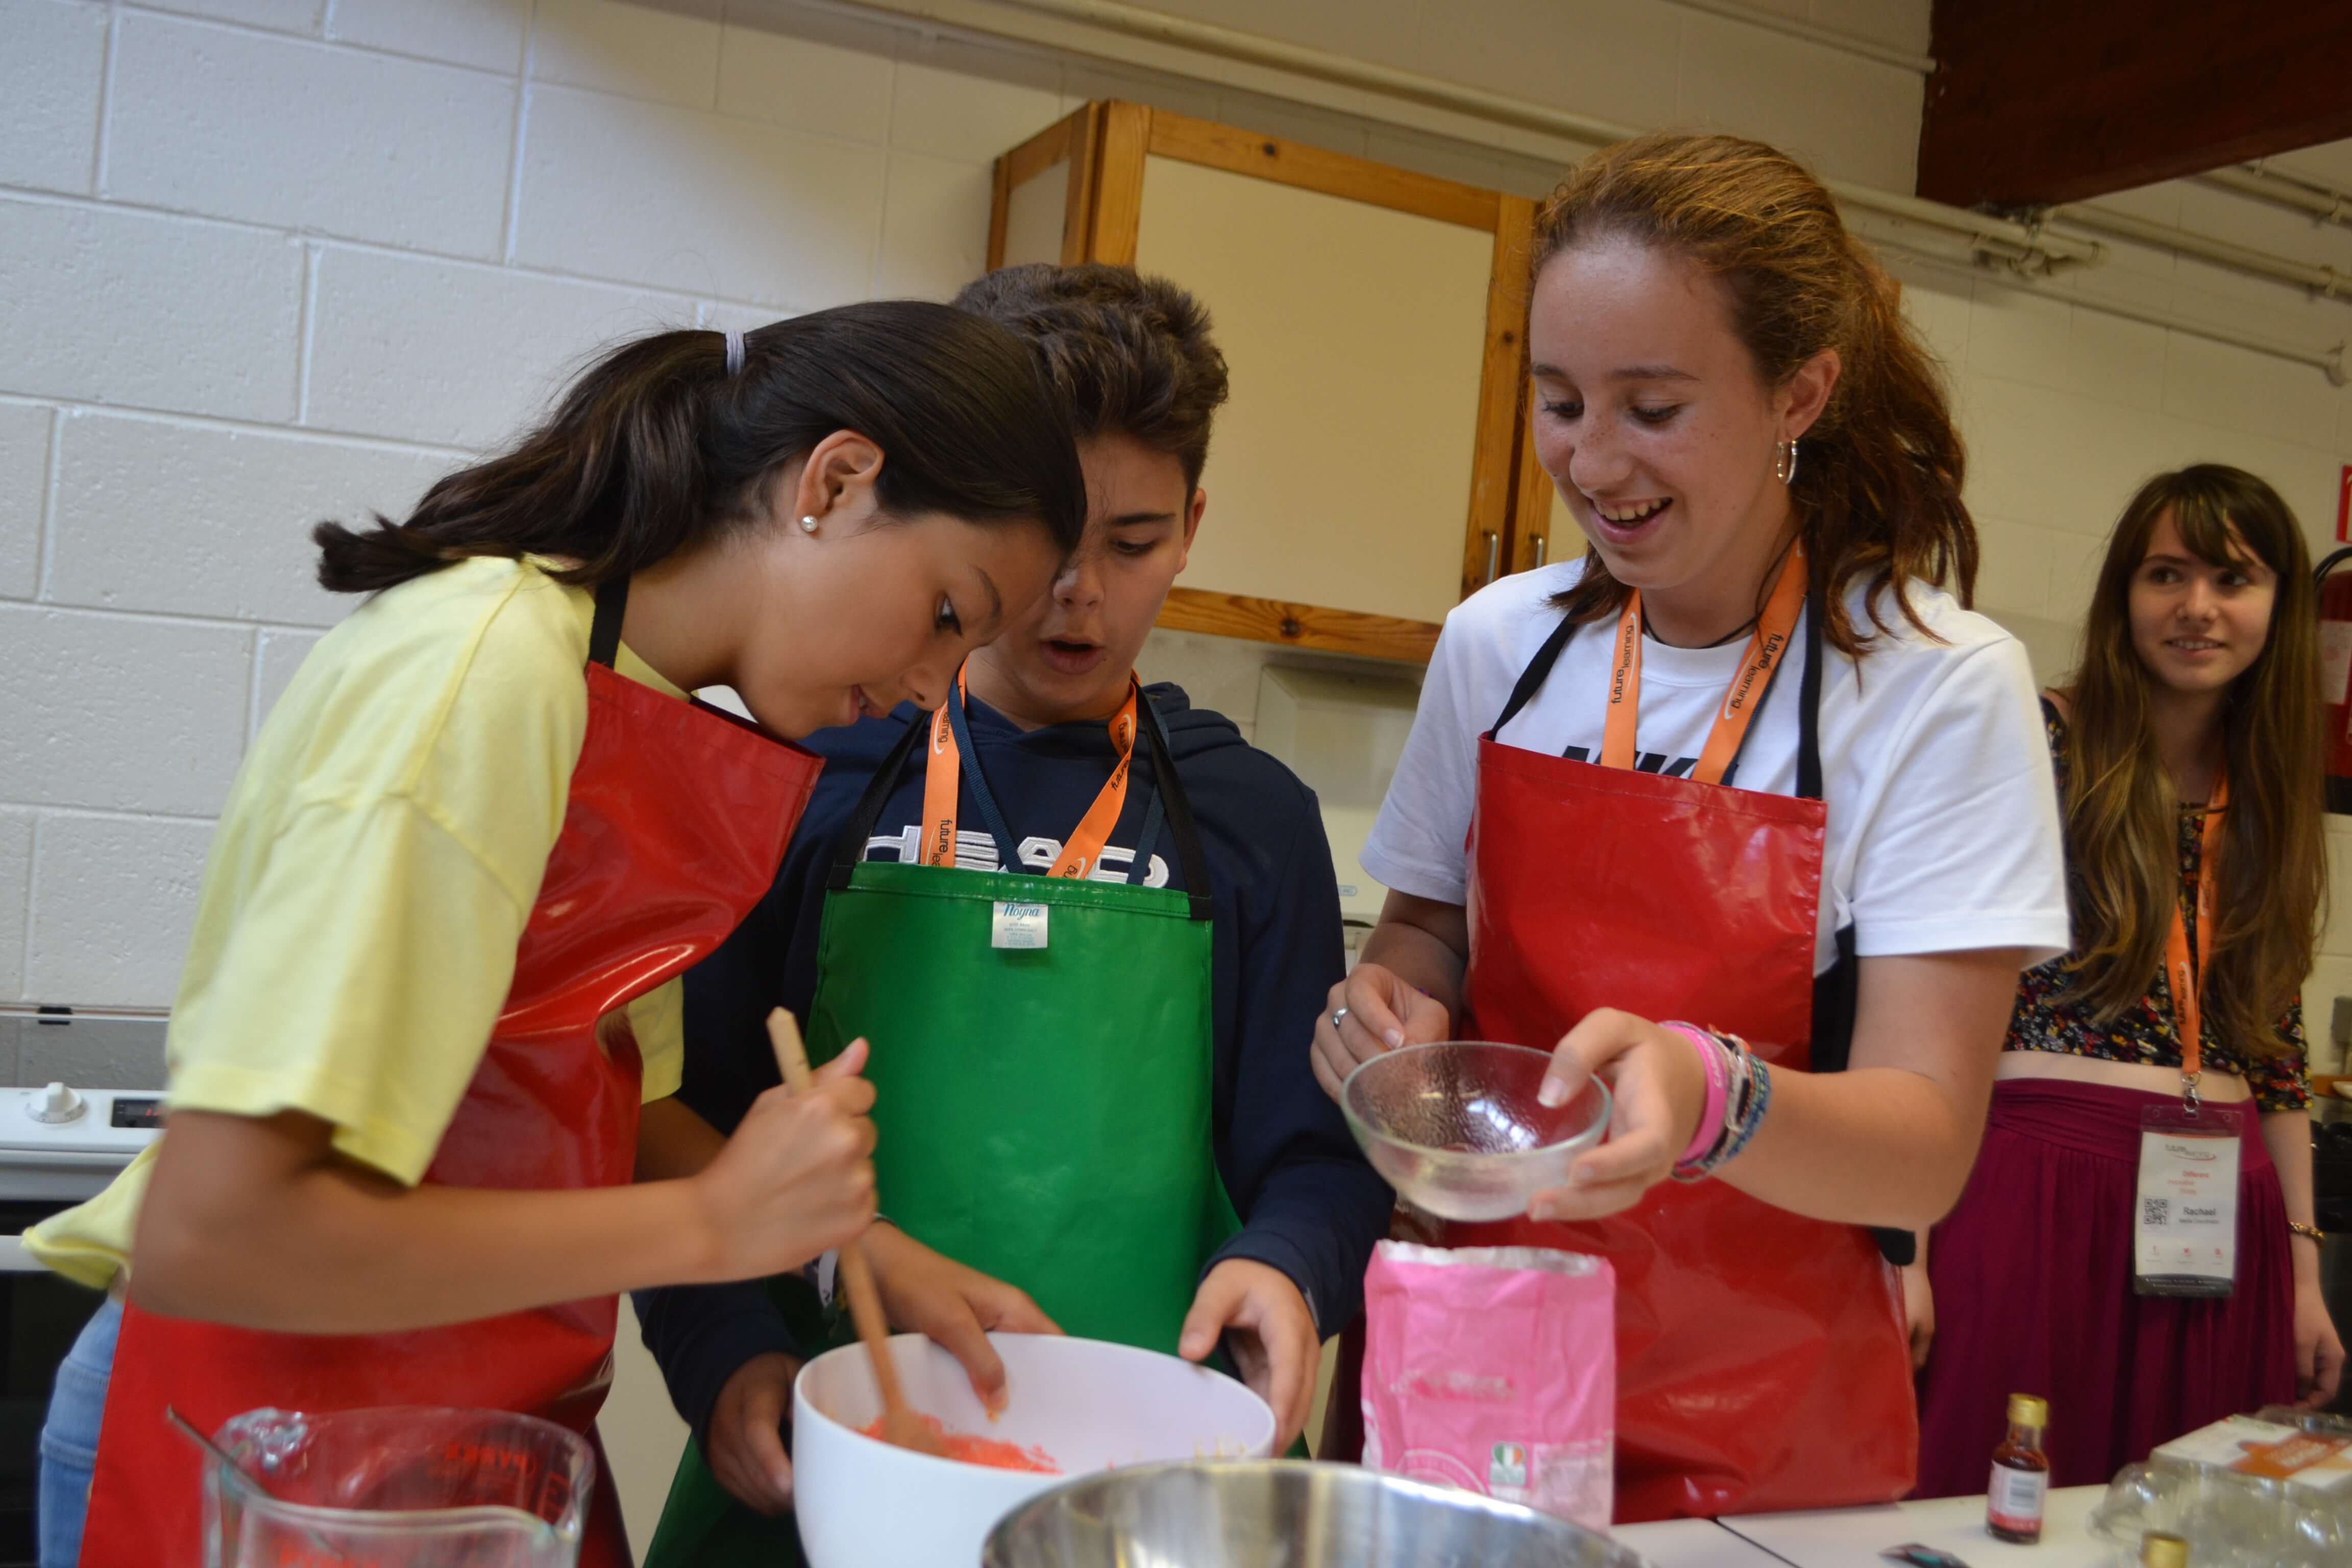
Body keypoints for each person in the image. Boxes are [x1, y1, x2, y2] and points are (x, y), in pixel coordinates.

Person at [26, 303, 1088, 1568]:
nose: (934, 686)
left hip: (454, 1431)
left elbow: (600, 1106)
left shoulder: (616, 693)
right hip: (261, 1440)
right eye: (949, 613)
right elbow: (221, 1234)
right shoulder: (479, 676)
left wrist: (850, 1245)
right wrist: (715, 1230)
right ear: (836, 482)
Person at [1310, 133, 2072, 1522]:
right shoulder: (1500, 648)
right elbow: (1427, 930)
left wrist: (1710, 1098)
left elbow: (1927, 1141)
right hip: (1474, 1378)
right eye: (1559, 401)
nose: (1594, 464)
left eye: (1652, 407)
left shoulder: (1936, 688)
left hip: (1764, 1433)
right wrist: (1389, 1010)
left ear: (1802, 389)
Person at [632, 263, 1394, 1566]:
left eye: (1135, 542)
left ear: (1195, 525)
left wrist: (1292, 1265)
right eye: (1047, 541)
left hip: (1147, 1499)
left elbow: (1315, 1158)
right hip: (832, 1477)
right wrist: (729, 1361)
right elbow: (675, 1121)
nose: (1078, 591)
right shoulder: (810, 765)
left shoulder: (1253, 822)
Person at [1912, 464, 2344, 1494]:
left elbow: (2275, 1053)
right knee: (1993, 1504)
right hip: (2037, 1183)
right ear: (2124, 595)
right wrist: (1906, 1246)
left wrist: (2306, 1271)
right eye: (2166, 574)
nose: (2197, 608)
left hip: (2220, 1211)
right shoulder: (2042, 741)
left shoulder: (2274, 794)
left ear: (2279, 607)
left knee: (2179, 1524)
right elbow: (1933, 992)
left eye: (2232, 579)